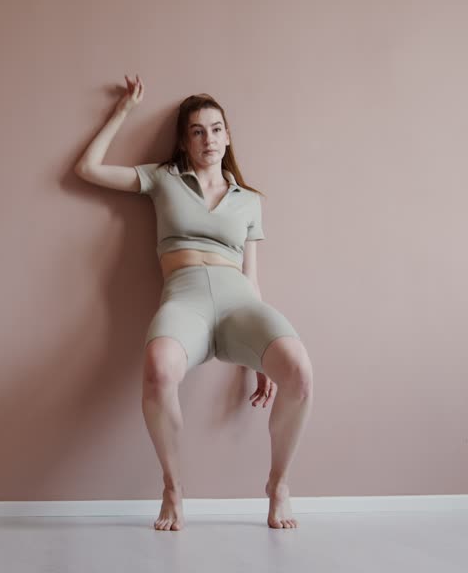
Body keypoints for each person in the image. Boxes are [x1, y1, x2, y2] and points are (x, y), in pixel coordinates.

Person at [74, 75, 314, 531]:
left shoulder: (250, 201)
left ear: (228, 136)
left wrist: (258, 360)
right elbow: (88, 168)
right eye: (199, 130)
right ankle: (173, 487)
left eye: (218, 128)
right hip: (184, 299)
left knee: (298, 369)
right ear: (185, 142)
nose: (210, 138)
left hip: (240, 304)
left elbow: (252, 278)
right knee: (158, 367)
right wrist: (123, 111)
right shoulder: (163, 178)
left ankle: (279, 484)